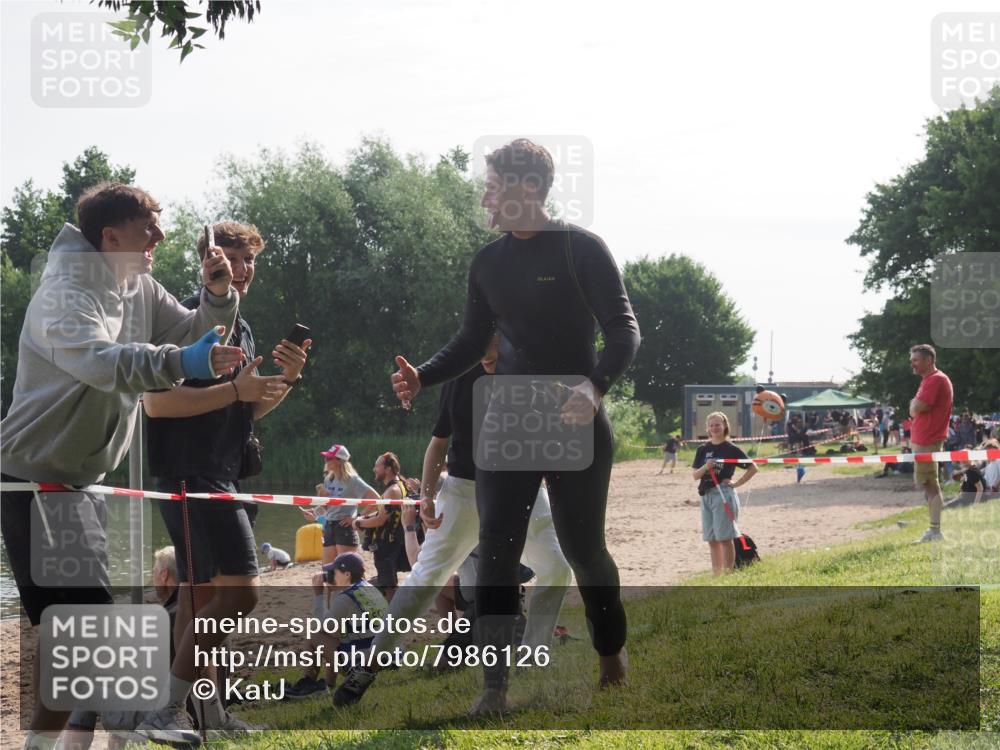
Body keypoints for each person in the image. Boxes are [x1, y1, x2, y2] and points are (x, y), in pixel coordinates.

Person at [389, 139, 639, 713]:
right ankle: (494, 687)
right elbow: (471, 340)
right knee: (497, 552)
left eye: (493, 188)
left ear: (528, 188)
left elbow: (624, 330)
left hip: (574, 415)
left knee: (584, 551)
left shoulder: (581, 249)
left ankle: (610, 653)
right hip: (509, 419)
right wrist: (424, 376)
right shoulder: (488, 263)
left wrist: (595, 386)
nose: (485, 199)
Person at [0, 183, 244, 750]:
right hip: (35, 479)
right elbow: (103, 363)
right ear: (110, 237)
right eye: (147, 228)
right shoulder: (63, 293)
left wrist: (217, 297)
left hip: (78, 480)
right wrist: (182, 361)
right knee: (88, 621)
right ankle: (145, 716)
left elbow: (193, 335)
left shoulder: (139, 285)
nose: (161, 235)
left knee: (69, 636)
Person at [140, 220, 311, 744]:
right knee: (241, 594)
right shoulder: (186, 319)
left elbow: (246, 410)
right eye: (230, 259)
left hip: (224, 473)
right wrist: (237, 392)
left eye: (248, 260)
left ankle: (209, 716)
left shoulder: (244, 326)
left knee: (200, 599)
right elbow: (156, 403)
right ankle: (165, 710)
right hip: (188, 474)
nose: (241, 269)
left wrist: (287, 380)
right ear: (207, 262)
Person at [333, 335, 572, 707]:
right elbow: (439, 443)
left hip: (520, 486)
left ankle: (531, 657)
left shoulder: (530, 367)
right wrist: (427, 496)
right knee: (426, 577)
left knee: (557, 567)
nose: (488, 344)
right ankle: (368, 666)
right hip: (463, 490)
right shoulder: (461, 374)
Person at [284, 552, 389, 698]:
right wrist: (334, 591)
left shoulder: (346, 598)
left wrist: (318, 594)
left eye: (335, 571)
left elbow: (323, 627)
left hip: (364, 665)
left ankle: (308, 683)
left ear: (347, 574)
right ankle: (327, 685)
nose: (331, 575)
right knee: (336, 638)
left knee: (314, 636)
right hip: (388, 657)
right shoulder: (369, 589)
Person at [691, 412, 759, 575]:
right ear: (707, 428)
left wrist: (737, 483)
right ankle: (717, 575)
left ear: (725, 426)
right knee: (712, 539)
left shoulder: (730, 448)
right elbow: (695, 475)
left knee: (725, 538)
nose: (714, 428)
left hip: (723, 495)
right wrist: (706, 466)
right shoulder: (702, 449)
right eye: (711, 425)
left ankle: (728, 574)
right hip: (706, 495)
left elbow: (753, 467)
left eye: (718, 424)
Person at [301, 444, 379, 564]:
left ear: (340, 460)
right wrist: (315, 512)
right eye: (326, 457)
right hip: (328, 526)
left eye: (329, 458)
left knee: (346, 568)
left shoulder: (353, 480)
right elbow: (328, 507)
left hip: (345, 528)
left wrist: (357, 517)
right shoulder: (328, 479)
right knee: (328, 570)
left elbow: (376, 499)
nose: (325, 460)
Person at [907, 344, 954, 544]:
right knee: (929, 484)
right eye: (912, 360)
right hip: (924, 439)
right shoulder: (929, 380)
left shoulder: (935, 379)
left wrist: (914, 405)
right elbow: (914, 408)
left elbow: (918, 406)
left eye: (915, 360)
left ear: (929, 360)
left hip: (927, 440)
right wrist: (914, 406)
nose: (912, 364)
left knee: (930, 484)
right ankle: (934, 529)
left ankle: (935, 531)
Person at [354, 452, 407, 598]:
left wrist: (359, 522)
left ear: (388, 469)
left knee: (388, 585)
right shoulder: (398, 486)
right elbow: (384, 514)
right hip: (390, 542)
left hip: (387, 544)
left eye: (377, 466)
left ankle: (393, 611)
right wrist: (364, 518)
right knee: (387, 582)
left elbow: (380, 520)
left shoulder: (393, 491)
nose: (374, 469)